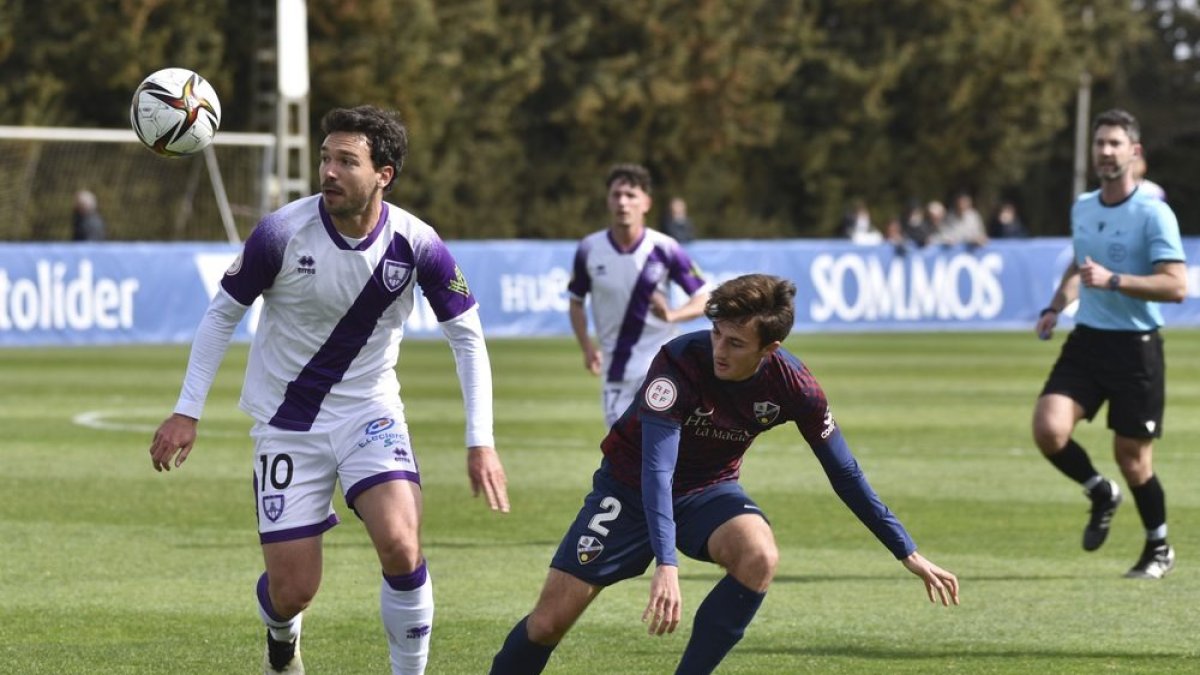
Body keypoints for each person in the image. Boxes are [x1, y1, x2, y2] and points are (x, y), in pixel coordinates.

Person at [147, 105, 510, 674]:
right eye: (325, 158)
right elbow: (222, 316)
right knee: (294, 590)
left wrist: (480, 440)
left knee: (400, 542)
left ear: (383, 175)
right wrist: (185, 411)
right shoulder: (281, 232)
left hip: (370, 412)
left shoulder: (418, 243)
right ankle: (281, 636)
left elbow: (468, 339)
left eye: (347, 161)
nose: (329, 172)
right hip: (286, 423)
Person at [491, 274, 960, 674]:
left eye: (735, 342)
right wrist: (667, 566)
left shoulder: (795, 387)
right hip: (630, 490)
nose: (719, 347)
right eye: (716, 333)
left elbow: (845, 472)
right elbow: (657, 469)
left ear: (769, 348)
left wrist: (907, 551)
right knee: (548, 624)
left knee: (759, 555)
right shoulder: (678, 363)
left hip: (706, 491)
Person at [1033, 108, 1186, 580]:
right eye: (1100, 143)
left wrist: (1115, 280)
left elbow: (1176, 285)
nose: (1105, 151)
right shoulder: (1083, 206)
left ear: (1133, 152)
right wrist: (1057, 305)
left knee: (1133, 458)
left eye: (1114, 143)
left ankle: (1158, 547)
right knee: (1048, 429)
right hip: (1088, 342)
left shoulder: (1154, 213)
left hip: (1136, 347)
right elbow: (1080, 267)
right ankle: (1100, 490)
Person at [568, 164, 710, 428]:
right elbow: (576, 302)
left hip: (663, 368)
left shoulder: (665, 248)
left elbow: (704, 298)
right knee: (623, 457)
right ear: (608, 201)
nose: (623, 202)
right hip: (617, 371)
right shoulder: (589, 248)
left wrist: (673, 314)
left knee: (666, 453)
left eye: (631, 195)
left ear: (646, 203)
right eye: (616, 195)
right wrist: (587, 348)